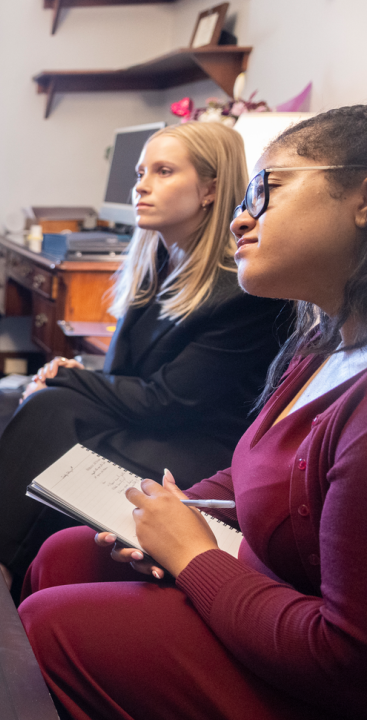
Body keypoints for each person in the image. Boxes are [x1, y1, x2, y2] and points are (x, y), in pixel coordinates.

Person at [18, 105, 367, 720]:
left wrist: (193, 557)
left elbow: (343, 661)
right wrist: (175, 514)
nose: (241, 216)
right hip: (265, 582)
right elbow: (255, 473)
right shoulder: (317, 344)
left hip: (317, 672)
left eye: (270, 189)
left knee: (50, 624)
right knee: (64, 552)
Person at [0, 122, 290, 592]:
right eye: (142, 171)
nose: (140, 185)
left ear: (210, 188)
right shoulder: (156, 264)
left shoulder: (237, 291)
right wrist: (71, 378)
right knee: (52, 409)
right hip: (158, 422)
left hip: (201, 445)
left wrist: (68, 376)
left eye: (163, 172)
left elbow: (167, 402)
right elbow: (124, 376)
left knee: (53, 414)